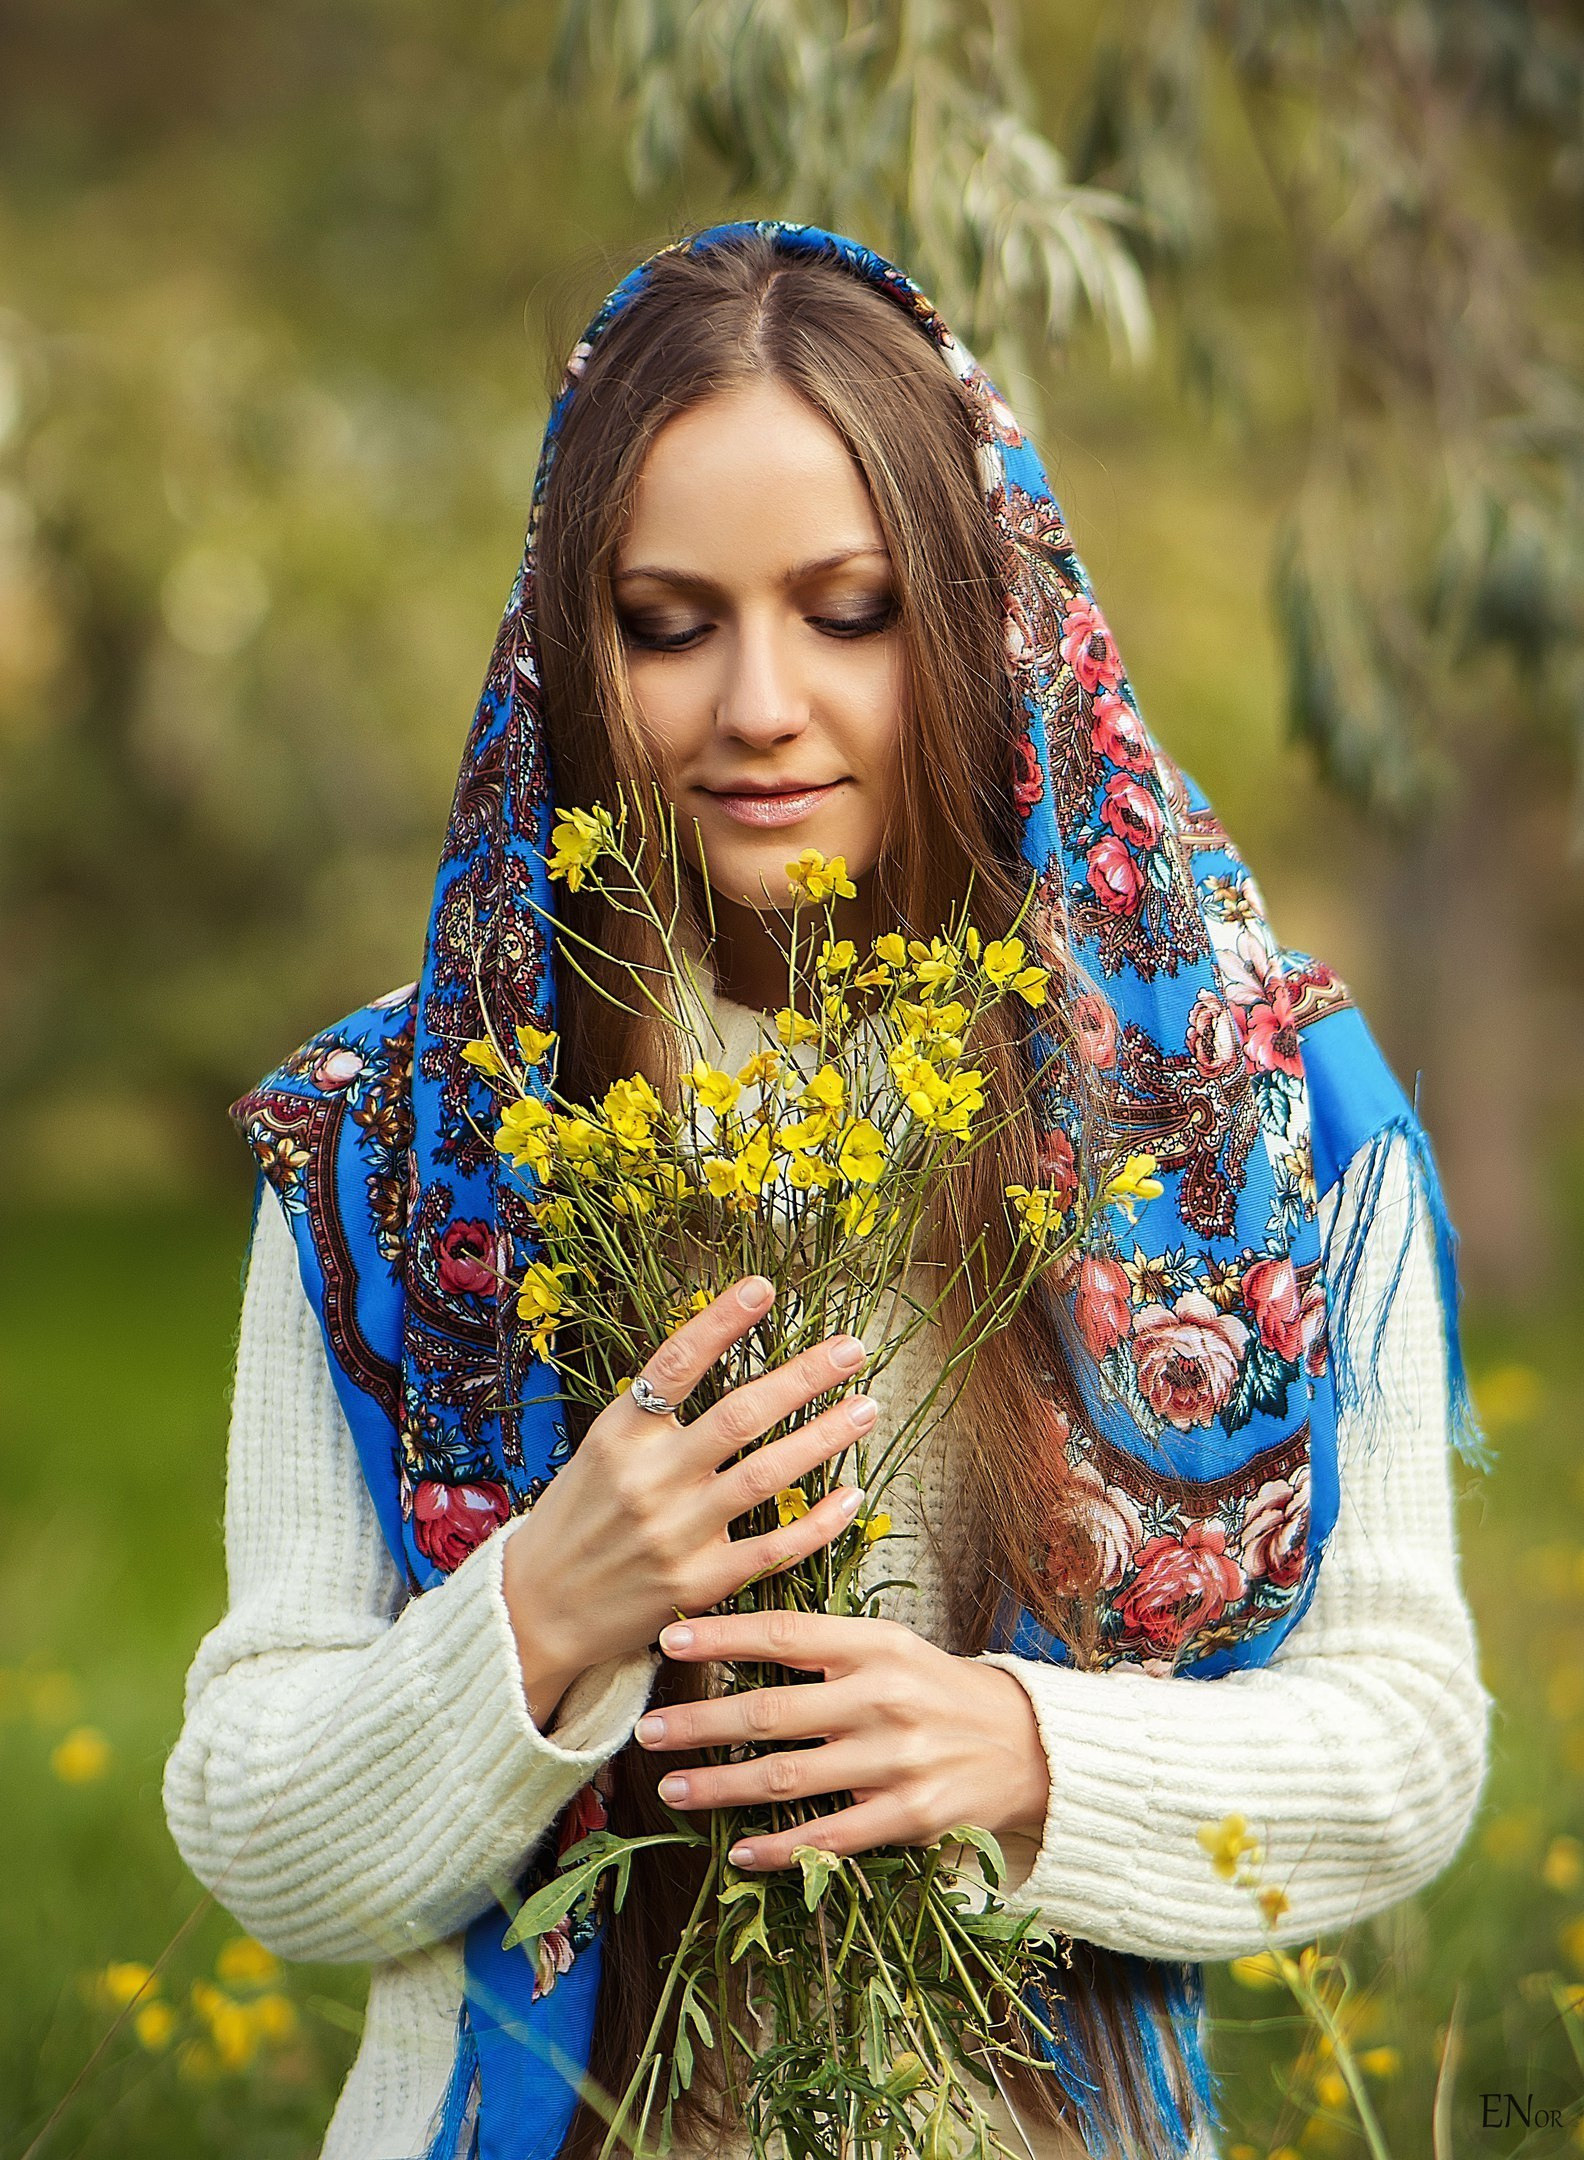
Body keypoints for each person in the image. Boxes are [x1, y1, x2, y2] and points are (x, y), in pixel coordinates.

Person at [164, 223, 1493, 2160]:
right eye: (669, 620)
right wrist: (536, 1615)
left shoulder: (1256, 1114)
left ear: (972, 617)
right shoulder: (402, 1137)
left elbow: (1412, 1738)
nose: (756, 704)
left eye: (847, 609)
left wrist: (1027, 1760)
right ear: (566, 640)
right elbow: (258, 1831)